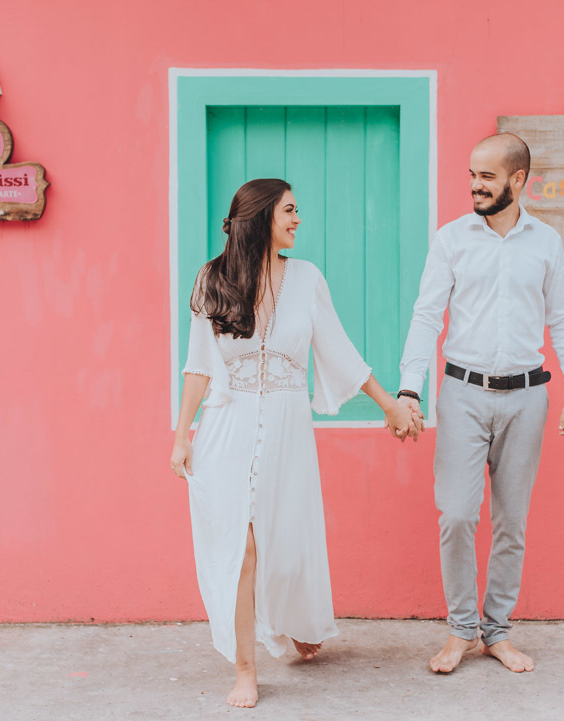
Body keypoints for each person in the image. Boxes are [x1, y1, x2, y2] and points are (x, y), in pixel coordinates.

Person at [170, 178, 415, 708]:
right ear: (261, 217)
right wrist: (182, 436)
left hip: (286, 429)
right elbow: (197, 366)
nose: (298, 220)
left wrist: (390, 403)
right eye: (290, 210)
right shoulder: (211, 279)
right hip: (225, 430)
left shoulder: (307, 279)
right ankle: (244, 669)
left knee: (285, 545)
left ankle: (293, 621)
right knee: (243, 547)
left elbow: (340, 350)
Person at [394, 133, 564, 674]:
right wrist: (409, 387)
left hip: (528, 397)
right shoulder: (451, 239)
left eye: (487, 177)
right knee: (456, 516)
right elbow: (426, 316)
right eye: (472, 175)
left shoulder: (546, 242)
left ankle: (496, 632)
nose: (475, 186)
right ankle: (461, 630)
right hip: (462, 395)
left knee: (512, 523)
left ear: (518, 180)